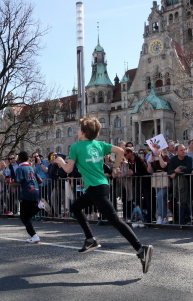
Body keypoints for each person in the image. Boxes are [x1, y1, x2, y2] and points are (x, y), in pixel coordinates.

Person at [53, 117, 153, 274]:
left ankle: (141, 249)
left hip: (96, 188)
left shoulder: (76, 147)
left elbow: (67, 169)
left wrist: (60, 161)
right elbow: (121, 151)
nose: (78, 131)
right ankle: (90, 240)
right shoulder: (100, 145)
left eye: (79, 128)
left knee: (115, 221)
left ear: (83, 132)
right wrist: (116, 167)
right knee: (75, 207)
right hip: (101, 186)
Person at [14, 151, 42, 243]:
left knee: (24, 217)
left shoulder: (20, 168)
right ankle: (39, 206)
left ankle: (34, 236)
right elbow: (40, 180)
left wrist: (10, 184)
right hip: (35, 191)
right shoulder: (31, 167)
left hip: (26, 193)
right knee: (27, 215)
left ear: (19, 159)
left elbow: (17, 182)